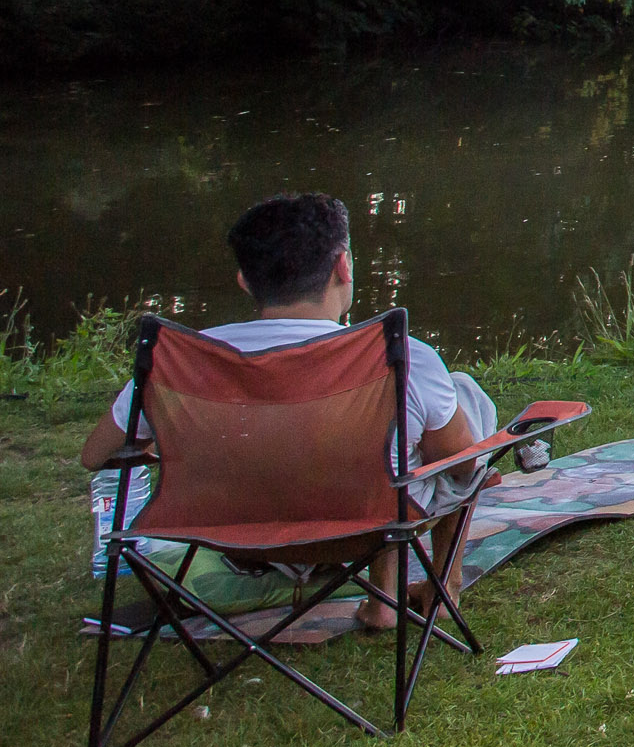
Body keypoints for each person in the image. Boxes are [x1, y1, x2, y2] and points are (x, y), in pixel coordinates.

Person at [83, 193, 495, 627]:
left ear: (244, 281)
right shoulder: (403, 357)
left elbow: (95, 455)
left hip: (232, 534)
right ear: (344, 267)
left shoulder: (181, 361)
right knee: (460, 400)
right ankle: (437, 589)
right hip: (366, 529)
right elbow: (461, 464)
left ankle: (378, 596)